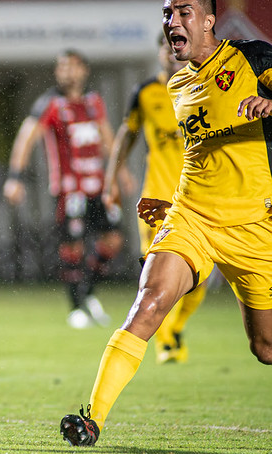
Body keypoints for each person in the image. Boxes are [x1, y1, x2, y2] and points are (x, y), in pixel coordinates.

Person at [61, 0, 272, 447]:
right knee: (149, 302)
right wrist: (167, 201)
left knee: (265, 347)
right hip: (190, 216)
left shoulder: (252, 59)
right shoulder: (176, 86)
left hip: (254, 223)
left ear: (210, 21)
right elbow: (200, 153)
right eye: (167, 13)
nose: (172, 21)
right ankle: (92, 419)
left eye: (184, 12)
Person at [3, 50, 125, 329]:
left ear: (84, 70)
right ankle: (75, 308)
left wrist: (121, 172)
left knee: (113, 241)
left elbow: (108, 138)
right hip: (71, 189)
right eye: (62, 67)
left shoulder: (94, 101)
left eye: (72, 66)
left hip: (99, 186)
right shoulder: (50, 103)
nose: (67, 72)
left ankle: (89, 293)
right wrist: (15, 176)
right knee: (73, 246)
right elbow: (26, 138)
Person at [104, 33, 206, 364]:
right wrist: (111, 182)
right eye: (164, 47)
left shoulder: (205, 89)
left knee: (201, 274)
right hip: (157, 199)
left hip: (198, 198)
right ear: (160, 53)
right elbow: (126, 135)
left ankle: (174, 326)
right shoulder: (146, 93)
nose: (170, 53)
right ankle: (163, 336)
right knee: (155, 269)